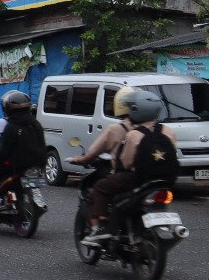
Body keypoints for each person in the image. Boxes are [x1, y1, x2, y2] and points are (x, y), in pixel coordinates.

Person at [71, 86, 176, 242]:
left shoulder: (131, 134)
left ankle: (101, 228)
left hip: (137, 179)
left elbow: (125, 163)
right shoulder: (167, 130)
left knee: (100, 187)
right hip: (166, 180)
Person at [0, 90, 45, 212]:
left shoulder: (10, 126)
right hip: (36, 164)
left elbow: (3, 154)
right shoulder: (36, 124)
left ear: (7, 109)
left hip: (13, 165)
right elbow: (43, 146)